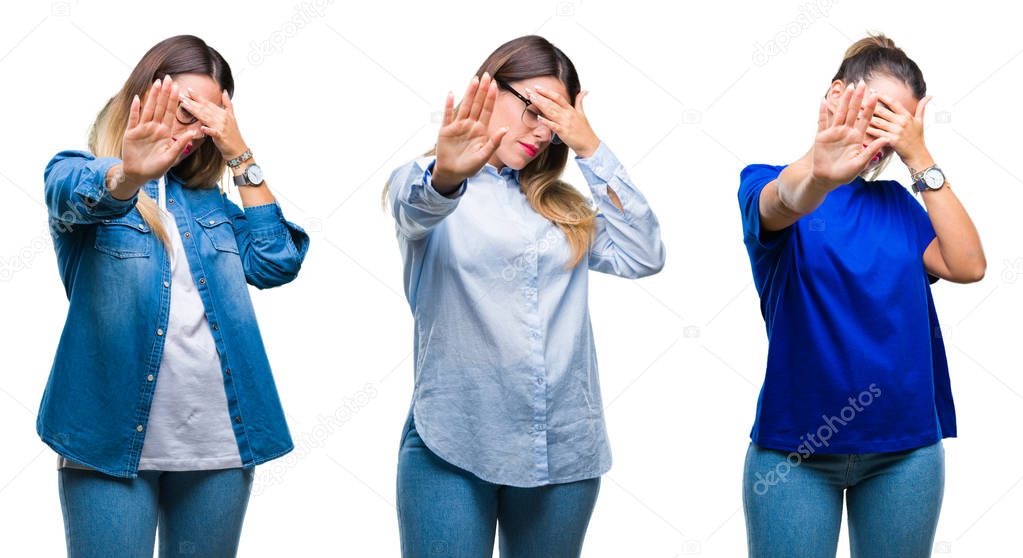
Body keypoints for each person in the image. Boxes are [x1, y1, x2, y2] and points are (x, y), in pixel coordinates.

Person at [384, 35, 665, 558]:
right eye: (532, 108)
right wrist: (448, 174)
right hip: (453, 441)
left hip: (562, 447)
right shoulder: (427, 185)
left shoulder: (564, 209)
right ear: (489, 89)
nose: (540, 131)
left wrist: (590, 148)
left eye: (554, 123)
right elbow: (415, 210)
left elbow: (645, 253)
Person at [39, 35, 309, 557]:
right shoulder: (81, 172)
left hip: (219, 445)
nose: (191, 128)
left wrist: (239, 152)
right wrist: (129, 175)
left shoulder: (211, 206)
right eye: (182, 107)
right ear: (139, 96)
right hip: (105, 440)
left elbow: (277, 263)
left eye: (206, 117)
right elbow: (73, 197)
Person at [738, 34, 985, 558]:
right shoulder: (764, 181)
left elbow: (968, 265)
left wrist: (921, 158)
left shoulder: (899, 203)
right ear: (835, 95)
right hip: (793, 453)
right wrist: (819, 172)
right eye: (881, 117)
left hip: (906, 452)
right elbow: (784, 202)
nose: (885, 142)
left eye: (901, 129)